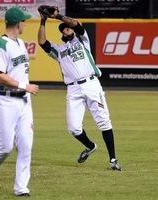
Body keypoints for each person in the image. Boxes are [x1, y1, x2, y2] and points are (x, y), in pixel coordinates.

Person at [37, 9, 121, 171]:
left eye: (67, 27)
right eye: (63, 29)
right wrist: (43, 21)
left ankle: (113, 159)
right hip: (73, 89)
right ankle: (90, 146)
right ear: (61, 33)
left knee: (103, 121)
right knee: (74, 128)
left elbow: (76, 23)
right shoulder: (59, 51)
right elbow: (42, 43)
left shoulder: (83, 40)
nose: (67, 29)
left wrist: (58, 17)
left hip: (91, 84)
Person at [0, 6, 39, 197]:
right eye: (24, 20)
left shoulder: (20, 43)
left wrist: (26, 91)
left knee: (26, 146)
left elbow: (20, 72)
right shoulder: (1, 45)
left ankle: (21, 188)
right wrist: (24, 86)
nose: (25, 23)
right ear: (18, 23)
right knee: (4, 147)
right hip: (4, 102)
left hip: (24, 102)